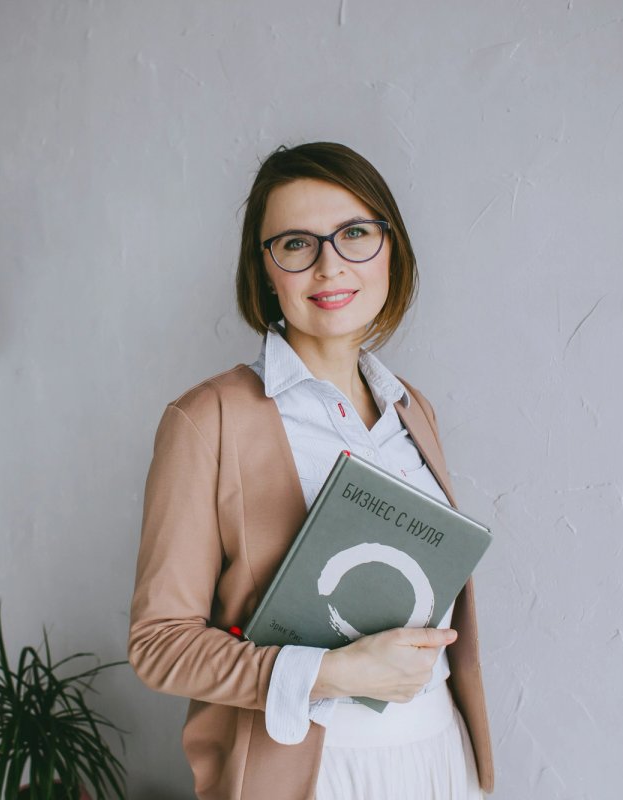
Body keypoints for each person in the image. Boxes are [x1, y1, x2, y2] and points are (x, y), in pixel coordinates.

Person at [128, 142, 494, 800]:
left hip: (442, 759)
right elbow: (160, 644)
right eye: (296, 244)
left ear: (392, 250)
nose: (330, 266)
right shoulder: (206, 419)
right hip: (311, 777)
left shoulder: (413, 408)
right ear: (266, 270)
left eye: (355, 234)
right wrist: (329, 673)